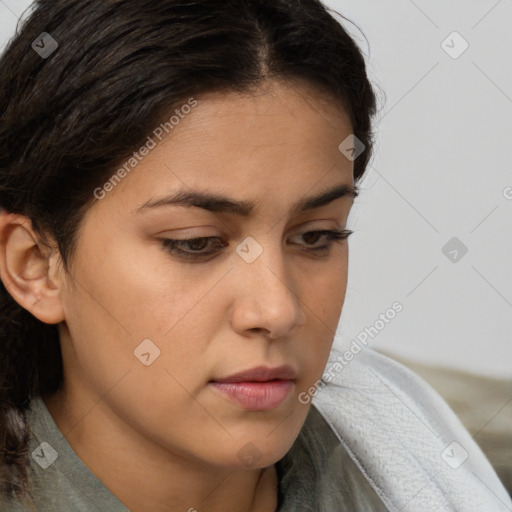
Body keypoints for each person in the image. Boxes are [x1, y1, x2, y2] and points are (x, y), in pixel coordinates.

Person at [0, 1, 510, 511]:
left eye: (316, 237)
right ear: (36, 267)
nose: (278, 311)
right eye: (195, 242)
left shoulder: (435, 467)